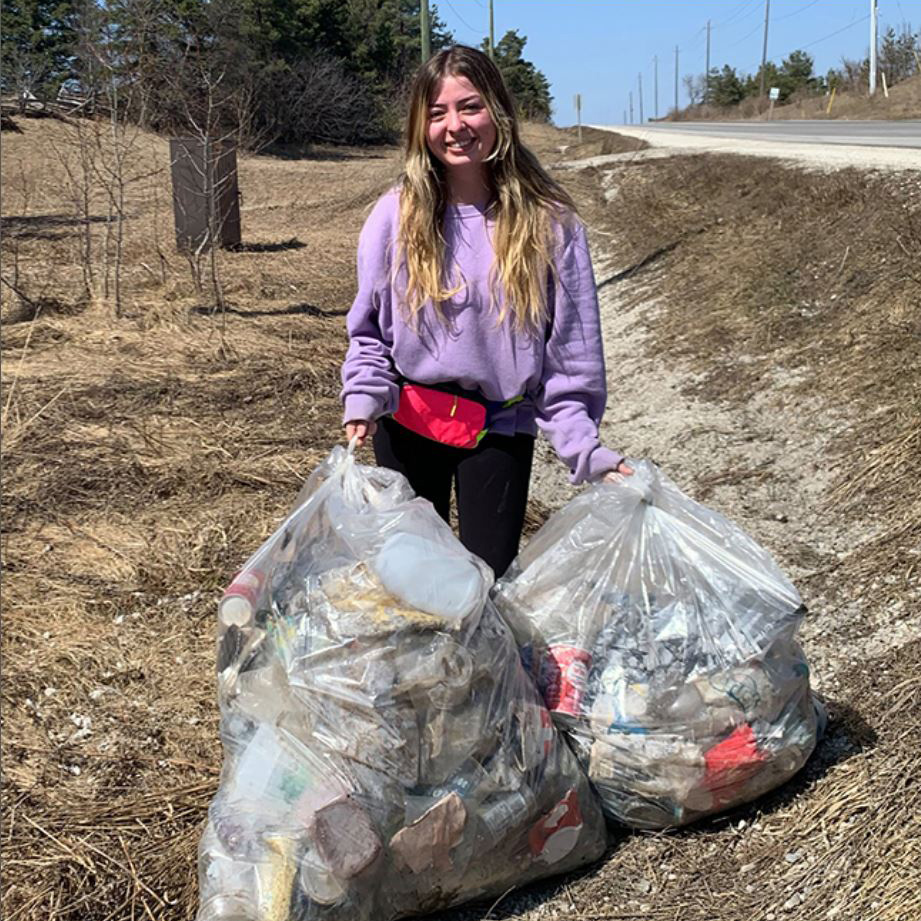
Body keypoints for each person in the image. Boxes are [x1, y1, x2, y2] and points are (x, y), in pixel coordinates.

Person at [340, 44, 632, 578]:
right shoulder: (394, 215)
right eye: (437, 113)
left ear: (497, 112)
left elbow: (569, 356)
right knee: (411, 582)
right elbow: (369, 333)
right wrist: (363, 398)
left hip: (498, 426)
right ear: (419, 127)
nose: (455, 125)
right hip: (407, 419)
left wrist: (586, 451)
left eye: (470, 107)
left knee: (488, 581)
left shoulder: (551, 222)